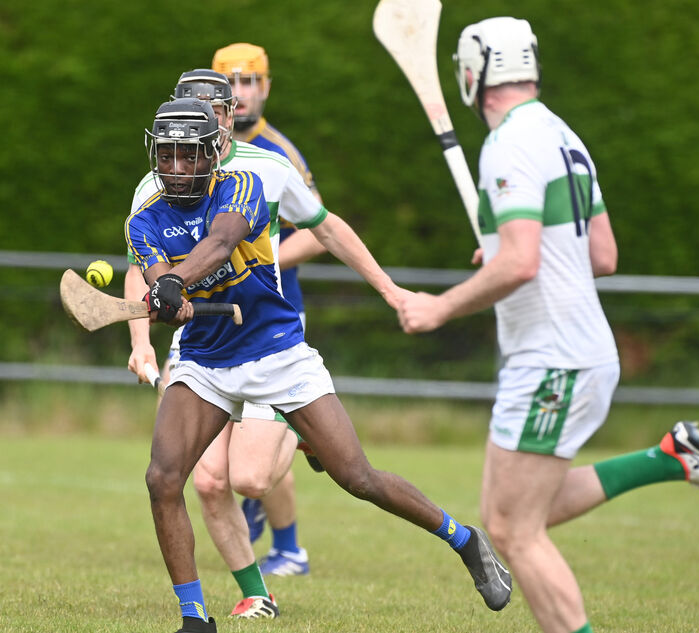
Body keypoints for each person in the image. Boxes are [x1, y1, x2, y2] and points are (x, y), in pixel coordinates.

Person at [397, 17, 699, 633]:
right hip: (574, 351)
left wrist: (442, 305)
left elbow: (522, 262)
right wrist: (510, 248)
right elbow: (602, 253)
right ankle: (672, 457)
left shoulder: (507, 143)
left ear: (473, 72)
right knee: (511, 512)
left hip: (552, 358)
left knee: (514, 529)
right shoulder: (563, 134)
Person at [126, 97, 512, 633]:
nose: (175, 167)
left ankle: (463, 540)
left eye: (188, 155)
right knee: (162, 478)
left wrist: (174, 282)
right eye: (167, 155)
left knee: (358, 478)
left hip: (276, 351)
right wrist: (168, 299)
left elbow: (220, 243)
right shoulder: (144, 219)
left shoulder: (242, 186)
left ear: (212, 153)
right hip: (205, 361)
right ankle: (195, 620)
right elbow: (156, 276)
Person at [126, 69, 313, 619]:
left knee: (251, 478)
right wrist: (143, 338)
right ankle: (257, 594)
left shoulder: (263, 167)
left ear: (226, 118)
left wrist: (390, 290)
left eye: (217, 110)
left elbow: (322, 228)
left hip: (266, 337)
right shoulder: (153, 187)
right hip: (203, 346)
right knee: (206, 480)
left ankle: (306, 427)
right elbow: (144, 270)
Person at [211, 42, 325, 576]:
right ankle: (287, 549)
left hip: (277, 317)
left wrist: (259, 254)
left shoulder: (279, 152)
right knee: (234, 455)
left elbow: (318, 234)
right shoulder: (199, 150)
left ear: (266, 87)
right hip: (222, 321)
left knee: (257, 450)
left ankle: (288, 547)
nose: (240, 93)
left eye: (250, 81)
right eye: (230, 83)